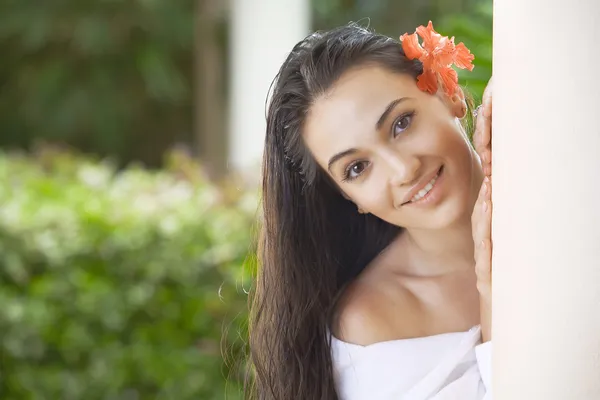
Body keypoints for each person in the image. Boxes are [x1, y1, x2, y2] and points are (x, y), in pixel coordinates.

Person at [247, 21, 494, 400]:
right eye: (357, 168)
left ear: (448, 91)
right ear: (349, 198)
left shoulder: (561, 194)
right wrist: (496, 294)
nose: (403, 170)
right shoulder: (370, 327)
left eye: (401, 124)